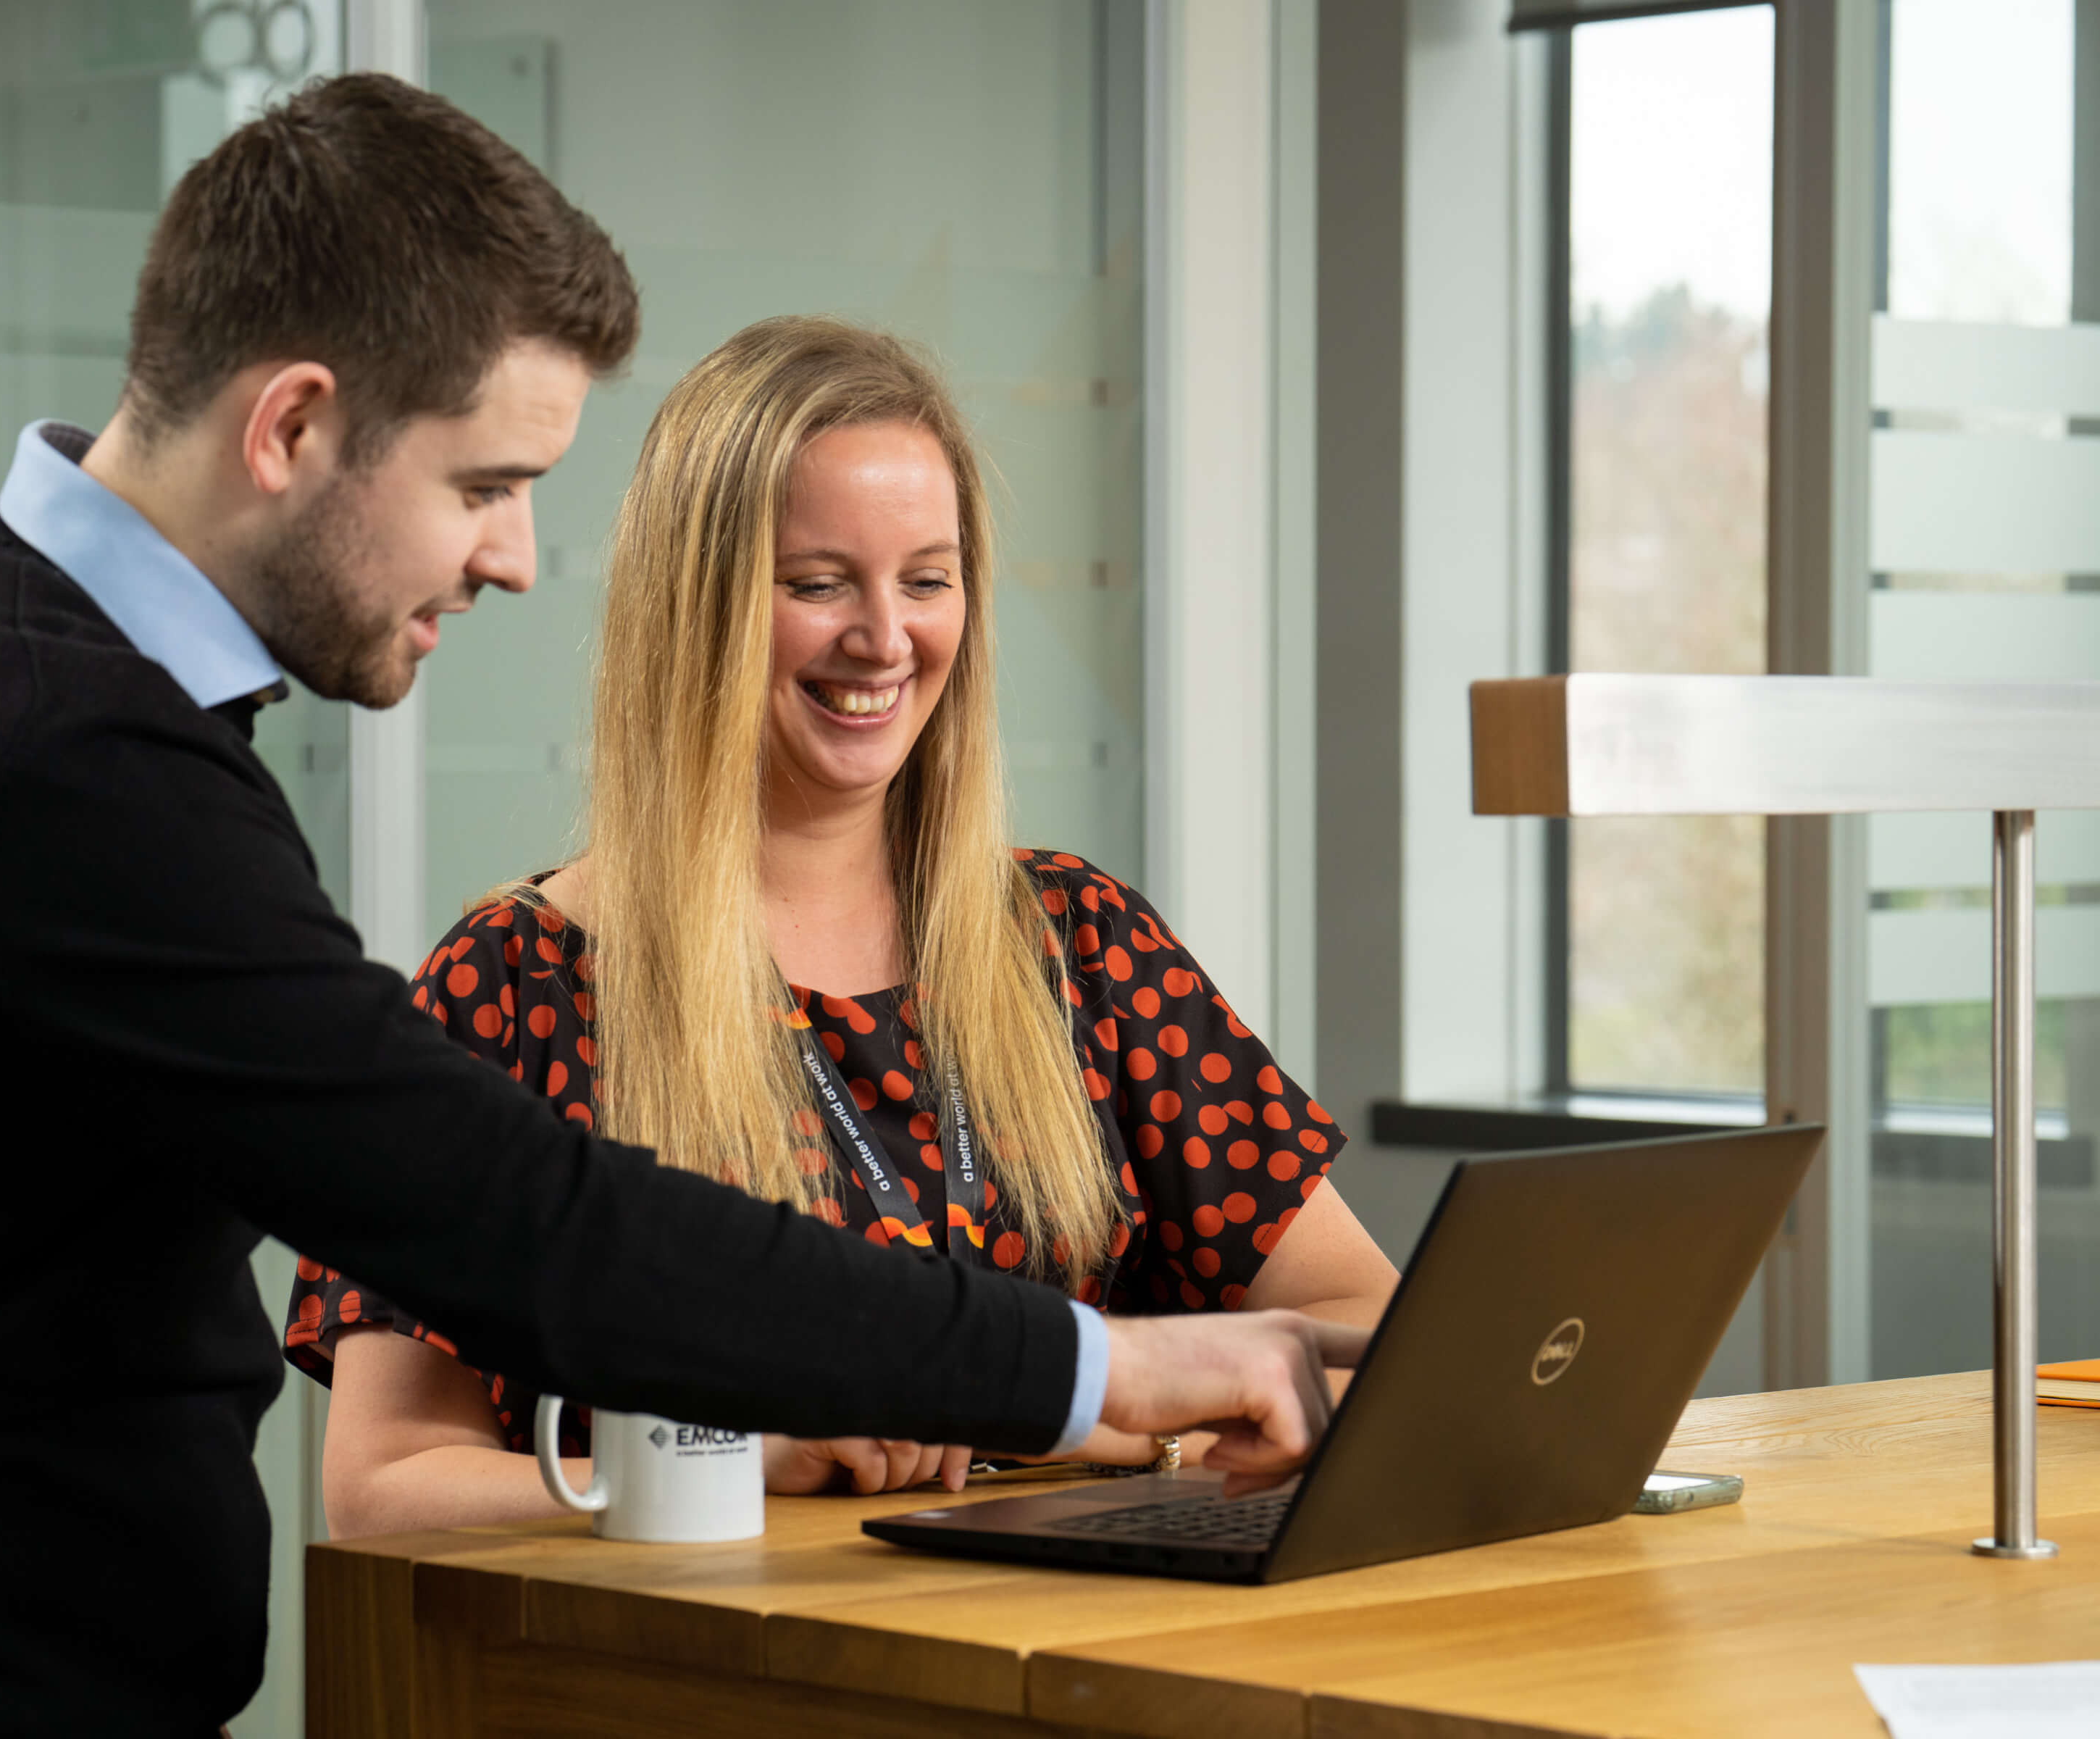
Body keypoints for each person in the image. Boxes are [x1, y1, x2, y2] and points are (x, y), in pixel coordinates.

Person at [0, 78, 1368, 1739]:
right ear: (293, 426)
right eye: (485, 485)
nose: (509, 555)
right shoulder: (41, 752)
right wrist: (1088, 1366)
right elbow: (520, 1223)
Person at [296, 318, 1398, 1538]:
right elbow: (382, 1488)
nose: (886, 638)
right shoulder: (515, 986)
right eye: (819, 584)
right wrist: (733, 1457)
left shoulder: (1082, 942)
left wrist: (1168, 1423)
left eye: (927, 579)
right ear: (696, 607)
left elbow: (1365, 1328)